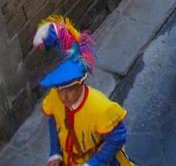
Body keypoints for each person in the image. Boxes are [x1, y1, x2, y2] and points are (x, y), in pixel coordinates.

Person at [33, 16, 133, 165]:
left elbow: (118, 137)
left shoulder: (101, 108)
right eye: (60, 90)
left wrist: (93, 163)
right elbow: (54, 120)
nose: (64, 96)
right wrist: (55, 153)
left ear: (81, 84)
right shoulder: (55, 97)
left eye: (69, 90)